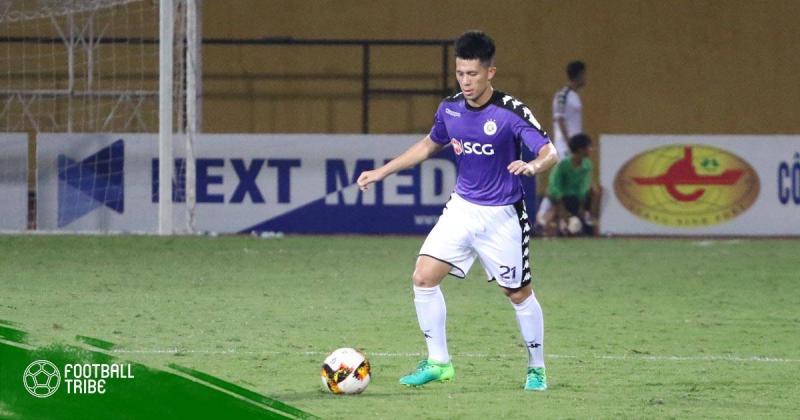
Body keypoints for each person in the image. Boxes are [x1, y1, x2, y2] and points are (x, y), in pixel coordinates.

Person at [357, 30, 558, 391]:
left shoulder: (511, 112)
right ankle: (439, 362)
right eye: (460, 74)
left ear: (490, 73)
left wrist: (533, 166)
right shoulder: (450, 109)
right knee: (423, 277)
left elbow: (549, 152)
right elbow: (427, 145)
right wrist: (382, 171)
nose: (465, 82)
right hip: (462, 209)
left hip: (502, 217)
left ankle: (537, 368)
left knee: (517, 294)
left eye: (473, 74)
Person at [535, 133, 600, 236]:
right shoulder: (563, 164)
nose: (591, 150)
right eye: (589, 147)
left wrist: (581, 206)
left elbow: (584, 186)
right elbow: (554, 186)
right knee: (549, 212)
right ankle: (544, 225)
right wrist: (562, 208)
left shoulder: (587, 165)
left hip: (575, 198)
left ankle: (589, 222)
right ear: (581, 150)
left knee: (596, 190)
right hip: (559, 197)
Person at [551, 60, 586, 158]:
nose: (586, 78)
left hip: (576, 146)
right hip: (565, 147)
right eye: (584, 75)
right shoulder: (562, 96)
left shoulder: (574, 95)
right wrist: (570, 144)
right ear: (580, 75)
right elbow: (559, 119)